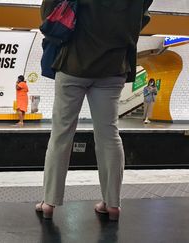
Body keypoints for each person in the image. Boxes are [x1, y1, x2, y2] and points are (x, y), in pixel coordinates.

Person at [36, 0, 152, 221]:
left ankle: (49, 202)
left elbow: (48, 11)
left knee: (61, 134)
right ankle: (112, 204)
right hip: (113, 67)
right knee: (109, 135)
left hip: (73, 64)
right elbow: (143, 18)